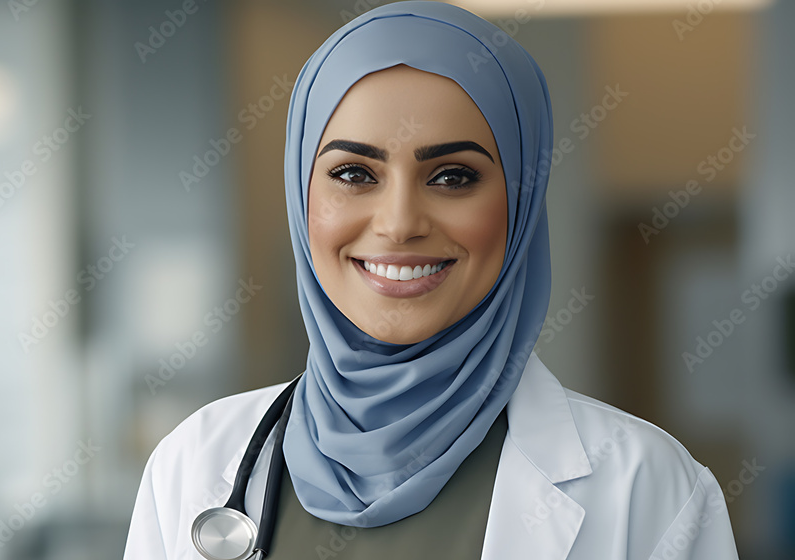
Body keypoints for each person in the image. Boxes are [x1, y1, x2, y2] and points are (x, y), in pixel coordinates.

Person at [123, 2, 741, 558]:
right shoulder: (194, 464)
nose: (398, 225)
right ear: (299, 195)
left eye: (452, 176)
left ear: (522, 202)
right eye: (354, 173)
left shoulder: (647, 488)